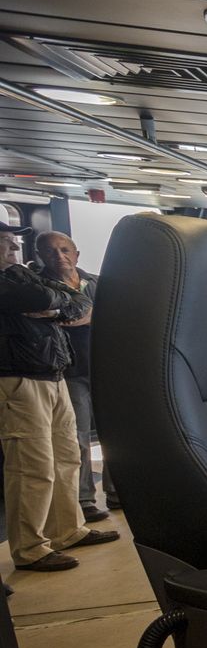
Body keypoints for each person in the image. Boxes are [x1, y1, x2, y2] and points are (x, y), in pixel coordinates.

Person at [0, 206, 120, 574]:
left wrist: (56, 308)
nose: (12, 248)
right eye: (5, 242)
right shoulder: (13, 282)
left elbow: (78, 301)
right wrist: (56, 305)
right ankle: (32, 548)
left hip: (52, 372)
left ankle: (66, 529)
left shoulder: (20, 275)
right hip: (18, 378)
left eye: (13, 242)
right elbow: (44, 299)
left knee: (67, 456)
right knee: (31, 465)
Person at [33, 231, 115, 522]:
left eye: (65, 250)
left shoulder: (95, 282)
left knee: (115, 435)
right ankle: (84, 498)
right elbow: (62, 315)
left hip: (105, 368)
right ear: (41, 256)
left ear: (76, 254)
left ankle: (117, 492)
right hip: (70, 371)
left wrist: (85, 313)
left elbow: (111, 315)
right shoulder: (39, 286)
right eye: (52, 252)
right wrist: (88, 313)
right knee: (77, 437)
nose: (60, 256)